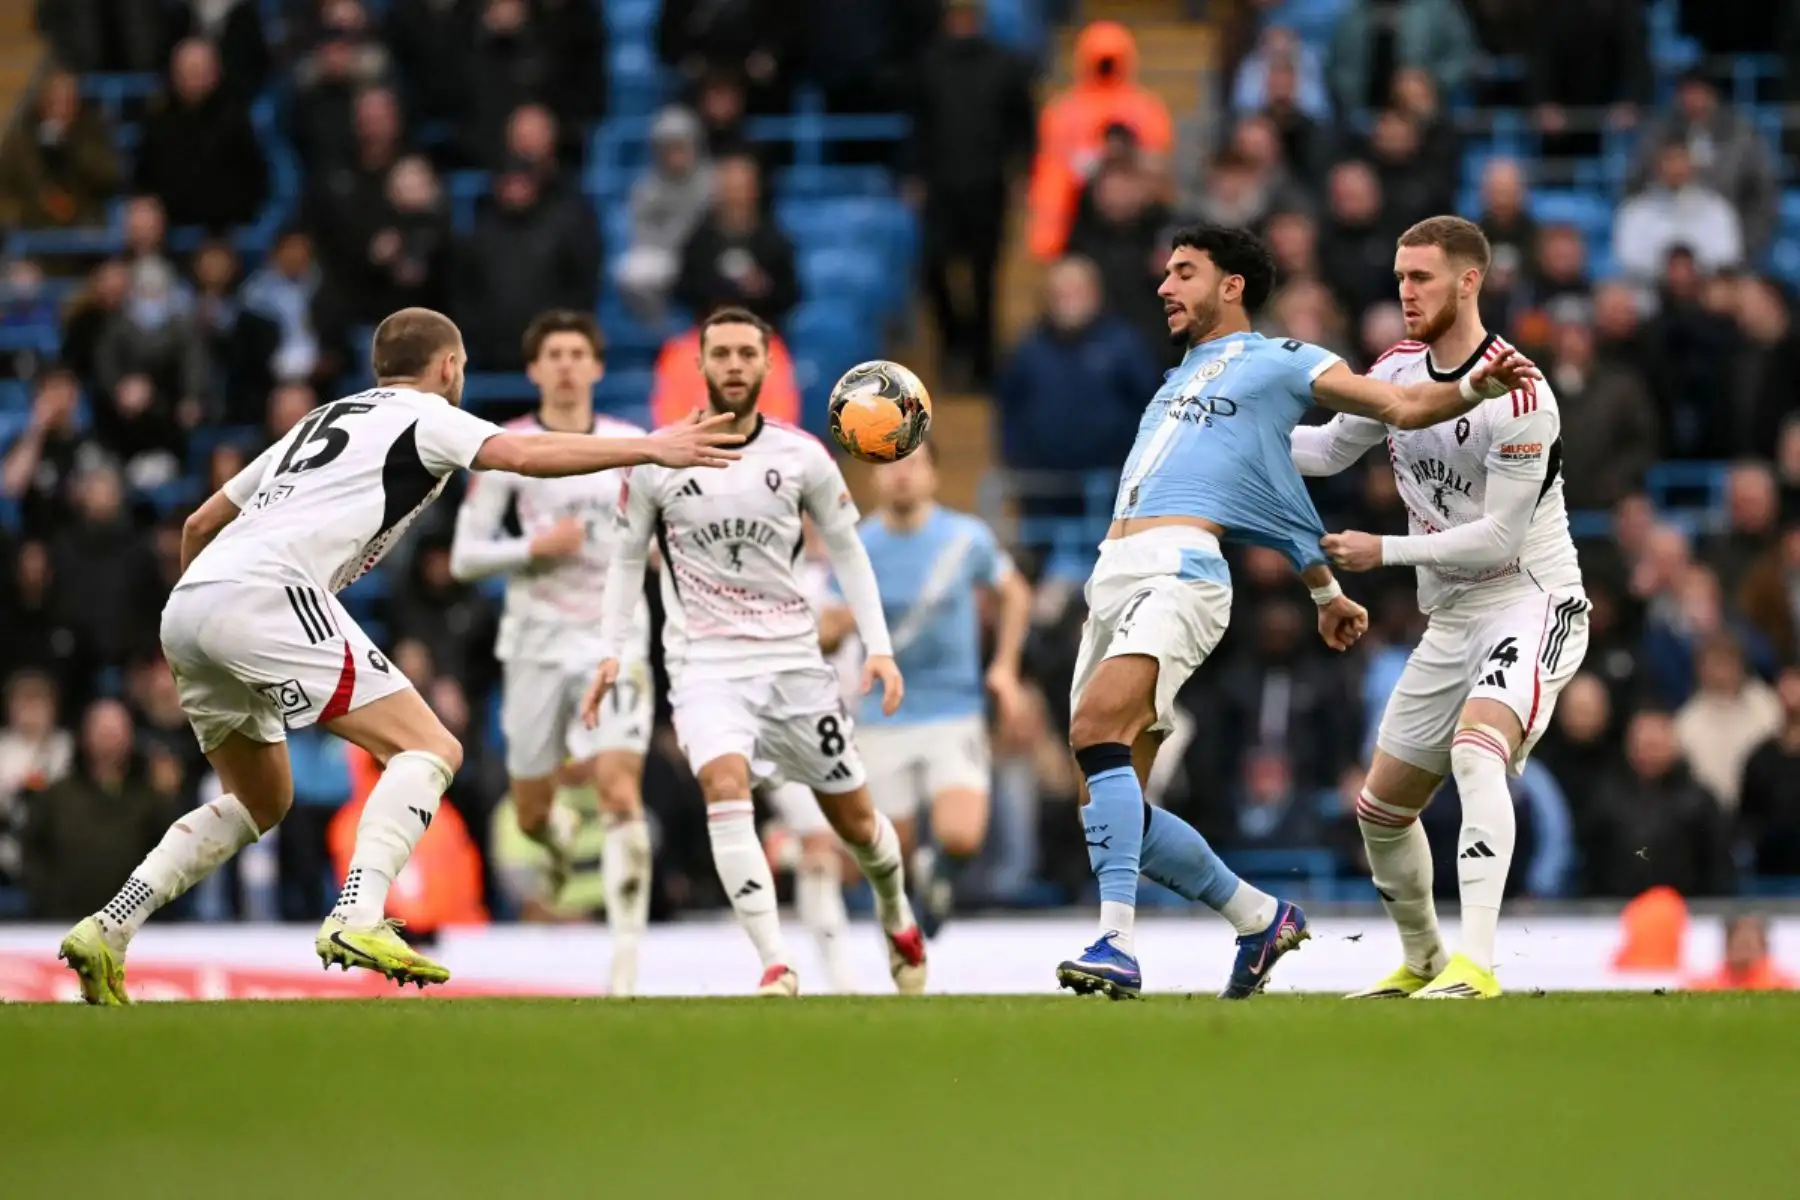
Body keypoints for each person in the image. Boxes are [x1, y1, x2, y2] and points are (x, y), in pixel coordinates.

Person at [55, 308, 743, 1005]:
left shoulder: (323, 417)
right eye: (463, 366)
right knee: (433, 748)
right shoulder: (428, 414)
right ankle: (358, 913)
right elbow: (528, 456)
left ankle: (109, 928)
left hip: (193, 598)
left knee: (260, 800)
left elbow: (201, 521)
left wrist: (207, 626)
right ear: (449, 367)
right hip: (268, 594)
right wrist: (653, 448)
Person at [1056, 223, 1537, 1001]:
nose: (1164, 288)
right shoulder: (1179, 380)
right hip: (1113, 575)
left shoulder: (1285, 359)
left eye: (1183, 272)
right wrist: (1322, 587)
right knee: (1109, 807)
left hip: (1180, 573)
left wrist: (1473, 388)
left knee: (1095, 729)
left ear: (1232, 285)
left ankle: (1116, 943)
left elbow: (1400, 404)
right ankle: (1258, 918)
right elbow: (1271, 492)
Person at [583, 306, 928, 997]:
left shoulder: (801, 456)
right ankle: (775, 961)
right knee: (724, 783)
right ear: (701, 365)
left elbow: (852, 554)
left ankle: (895, 910)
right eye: (722, 354)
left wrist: (880, 649)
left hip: (795, 666)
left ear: (767, 367)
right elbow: (626, 560)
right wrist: (611, 649)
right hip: (706, 665)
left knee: (858, 826)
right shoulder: (658, 458)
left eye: (747, 354)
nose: (735, 366)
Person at [1291, 216, 1587, 1000]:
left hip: (1531, 600)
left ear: (1469, 281)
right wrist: (1232, 437)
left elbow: (1498, 538)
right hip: (1451, 618)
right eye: (1399, 278)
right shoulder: (1395, 368)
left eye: (1421, 278)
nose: (1405, 293)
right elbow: (1323, 451)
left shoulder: (1520, 390)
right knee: (1381, 810)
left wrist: (1381, 551)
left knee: (1475, 750)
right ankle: (1422, 960)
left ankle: (1478, 965)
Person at [447, 311, 655, 996]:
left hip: (611, 642)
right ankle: (558, 839)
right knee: (531, 810)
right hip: (534, 645)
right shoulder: (509, 448)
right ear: (535, 370)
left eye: (578, 353)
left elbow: (665, 537)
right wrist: (533, 548)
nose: (566, 365)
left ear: (597, 367)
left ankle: (625, 960)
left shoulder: (632, 446)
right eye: (553, 355)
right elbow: (464, 557)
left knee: (620, 787)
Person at [817, 442, 1031, 937]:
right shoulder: (857, 545)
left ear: (933, 474)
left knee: (960, 835)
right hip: (883, 713)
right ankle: (909, 909)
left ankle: (941, 876)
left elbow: (1015, 593)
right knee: (891, 851)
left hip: (954, 707)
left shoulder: (965, 537)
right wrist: (841, 626)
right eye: (891, 468)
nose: (902, 477)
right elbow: (826, 629)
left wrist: (1005, 667)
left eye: (913, 465)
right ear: (874, 479)